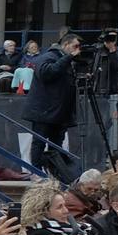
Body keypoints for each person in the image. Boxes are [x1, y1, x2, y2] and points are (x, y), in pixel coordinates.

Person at [26, 34, 79, 175]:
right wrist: (68, 58)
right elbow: (47, 73)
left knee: (56, 145)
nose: (77, 50)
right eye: (75, 46)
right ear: (66, 45)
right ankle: (36, 173)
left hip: (60, 112)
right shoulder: (49, 56)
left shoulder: (69, 61)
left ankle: (56, 173)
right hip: (45, 110)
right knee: (39, 142)